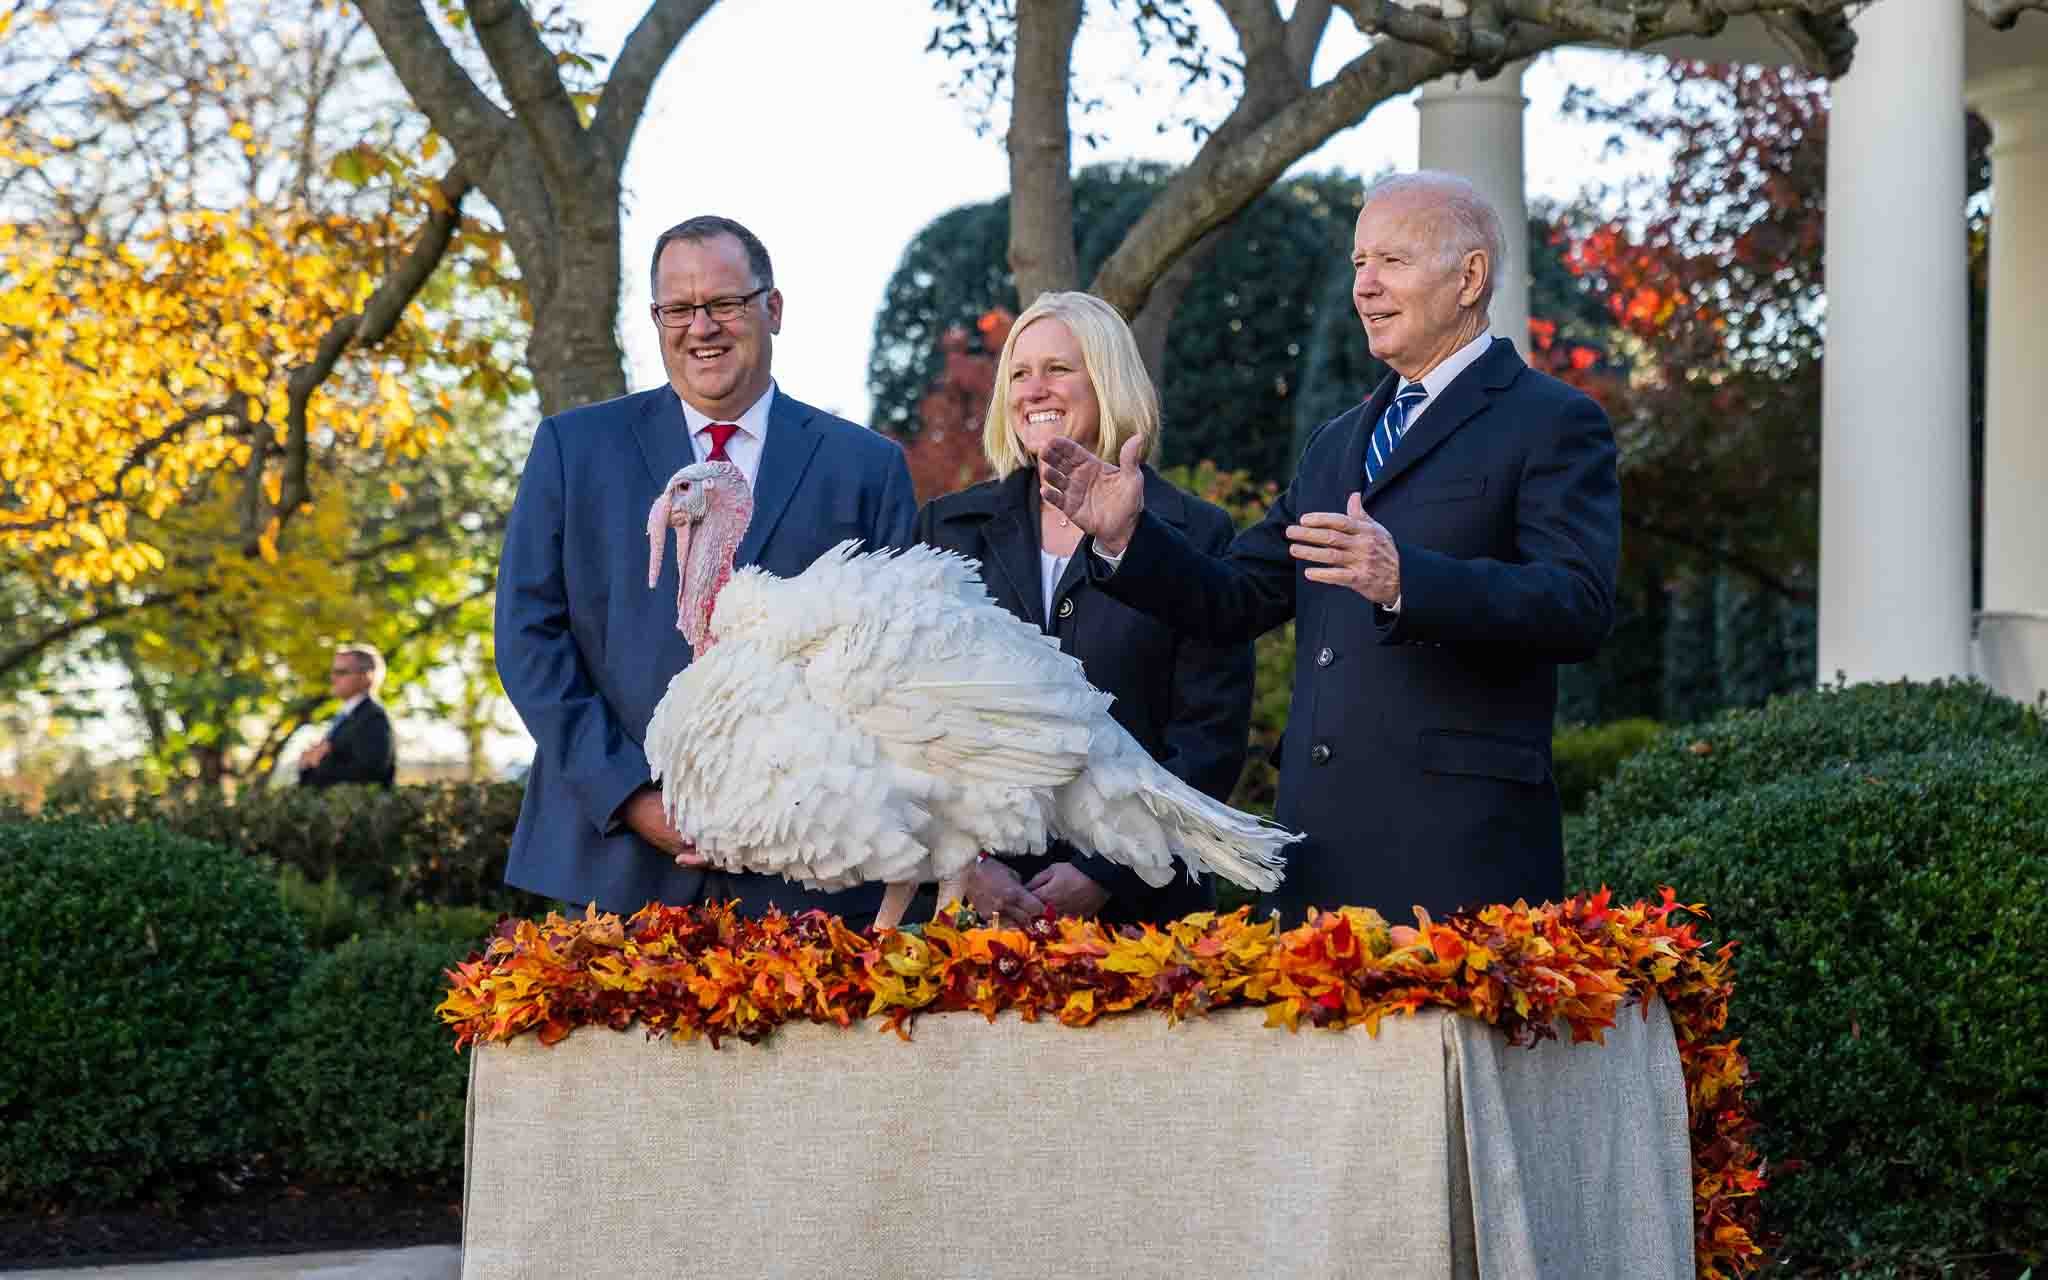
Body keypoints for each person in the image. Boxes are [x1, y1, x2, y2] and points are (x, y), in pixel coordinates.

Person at [1039, 171, 1620, 924]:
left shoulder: (1551, 421)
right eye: (1358, 265)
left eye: (1392, 263)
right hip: (1318, 849)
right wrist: (1125, 537)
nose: (1366, 287)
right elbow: (1233, 599)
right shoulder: (1337, 443)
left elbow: (1576, 604)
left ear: (1469, 276)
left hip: (1457, 853)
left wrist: (1407, 580)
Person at [495, 215, 917, 917]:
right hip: (614, 866)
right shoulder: (574, 450)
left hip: (813, 869)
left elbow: (896, 666)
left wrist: (801, 806)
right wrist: (629, 794)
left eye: (724, 304)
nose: (702, 328)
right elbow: (528, 637)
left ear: (772, 309)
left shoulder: (866, 468)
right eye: (679, 310)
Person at [915, 292, 1253, 927]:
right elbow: (914, 726)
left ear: (1107, 381)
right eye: (1019, 373)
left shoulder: (1194, 534)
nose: (1034, 390)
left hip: (1147, 924)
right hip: (981, 925)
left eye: (1059, 369)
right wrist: (968, 862)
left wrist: (1107, 871)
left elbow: (1209, 739)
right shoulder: (947, 531)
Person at [297, 643, 397, 788]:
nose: (333, 678)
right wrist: (306, 764)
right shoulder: (345, 717)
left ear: (367, 676)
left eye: (341, 672)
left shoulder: (374, 717)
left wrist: (319, 761)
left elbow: (370, 775)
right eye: (333, 672)